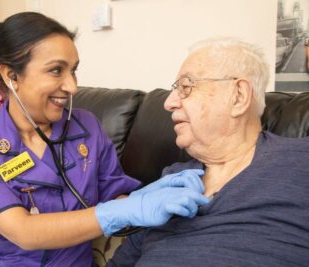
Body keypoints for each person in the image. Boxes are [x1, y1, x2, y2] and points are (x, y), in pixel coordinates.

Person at [0, 12, 209, 266]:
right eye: (56, 70)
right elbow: (23, 232)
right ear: (11, 75)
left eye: (73, 71)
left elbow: (113, 195)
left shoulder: (86, 125)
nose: (72, 86)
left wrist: (149, 195)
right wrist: (120, 212)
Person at [107, 37, 309, 266]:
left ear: (238, 96)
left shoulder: (301, 161)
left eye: (185, 87)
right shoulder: (169, 181)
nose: (169, 103)